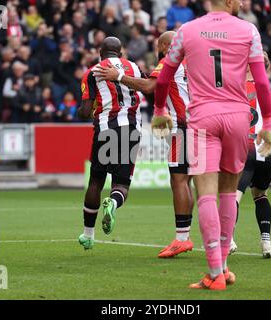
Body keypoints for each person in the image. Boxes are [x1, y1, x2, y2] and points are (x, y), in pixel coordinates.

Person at [153, 0, 271, 290]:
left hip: (202, 117)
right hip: (237, 118)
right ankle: (223, 266)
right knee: (228, 192)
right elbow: (262, 83)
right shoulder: (249, 30)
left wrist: (160, 111)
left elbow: (163, 80)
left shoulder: (187, 31)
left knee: (205, 192)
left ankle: (215, 272)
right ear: (232, 2)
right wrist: (267, 124)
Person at [94, 31, 194, 259]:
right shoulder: (195, 61)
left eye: (159, 46)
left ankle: (181, 239)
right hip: (203, 125)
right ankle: (192, 236)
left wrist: (117, 76)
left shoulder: (171, 60)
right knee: (190, 181)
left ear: (165, 46)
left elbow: (150, 86)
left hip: (182, 126)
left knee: (178, 180)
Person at [77, 37, 145, 250]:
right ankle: (113, 203)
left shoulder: (92, 72)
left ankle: (88, 235)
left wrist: (83, 110)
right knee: (121, 185)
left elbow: (85, 112)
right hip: (132, 129)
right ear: (121, 52)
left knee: (96, 182)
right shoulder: (133, 67)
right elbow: (148, 86)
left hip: (106, 129)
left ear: (100, 52)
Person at [230, 52, 271, 258]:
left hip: (244, 149)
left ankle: (228, 239)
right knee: (260, 195)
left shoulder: (236, 90)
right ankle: (266, 243)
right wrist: (267, 148)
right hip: (268, 155)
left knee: (233, 195)